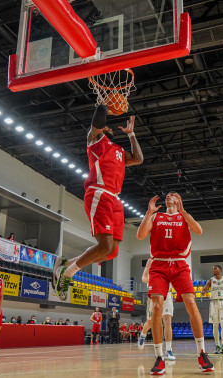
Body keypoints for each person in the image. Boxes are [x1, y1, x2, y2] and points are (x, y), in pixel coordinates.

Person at [53, 105, 143, 296]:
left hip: (116, 200)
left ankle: (66, 264)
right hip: (99, 194)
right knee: (104, 246)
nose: (103, 129)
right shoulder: (94, 143)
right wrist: (104, 106)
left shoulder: (118, 150)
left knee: (112, 252)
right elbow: (97, 121)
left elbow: (138, 158)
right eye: (100, 127)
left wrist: (131, 134)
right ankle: (67, 273)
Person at [137, 192, 214, 375]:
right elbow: (140, 235)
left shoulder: (184, 217)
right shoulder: (157, 216)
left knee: (191, 302)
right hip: (159, 264)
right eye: (168, 195)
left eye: (174, 194)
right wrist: (148, 213)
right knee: (156, 307)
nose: (170, 196)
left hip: (180, 264)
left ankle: (201, 353)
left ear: (179, 200)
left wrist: (183, 210)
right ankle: (159, 357)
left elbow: (199, 230)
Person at [138, 261, 176, 360]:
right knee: (150, 323)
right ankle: (142, 334)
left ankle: (168, 350)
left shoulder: (170, 261)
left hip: (166, 293)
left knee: (167, 320)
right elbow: (144, 278)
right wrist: (155, 282)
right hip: (153, 292)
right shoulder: (151, 261)